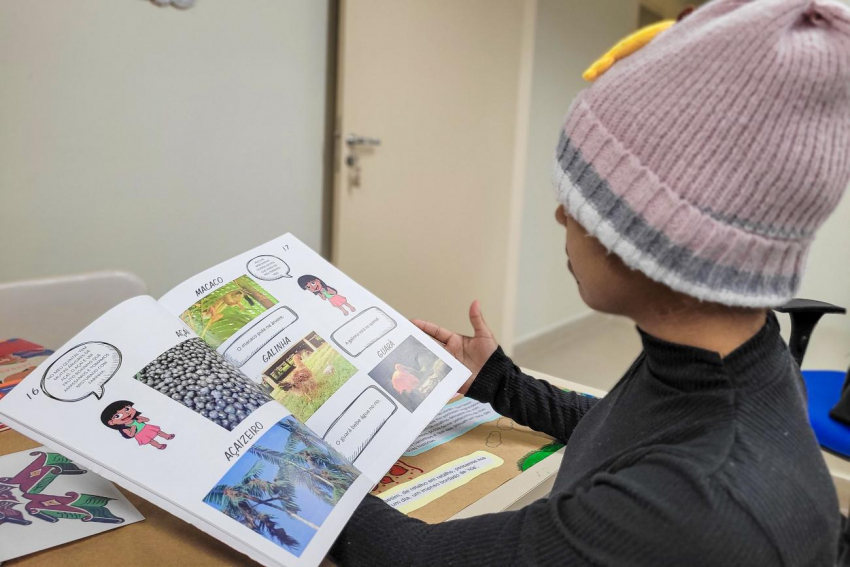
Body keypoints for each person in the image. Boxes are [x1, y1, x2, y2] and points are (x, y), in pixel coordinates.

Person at [331, 0, 850, 564]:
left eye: (580, 203)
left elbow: (412, 558)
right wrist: (498, 382)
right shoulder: (731, 355)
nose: (560, 216)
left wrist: (273, 448)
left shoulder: (697, 509)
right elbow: (623, 433)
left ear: (651, 234)